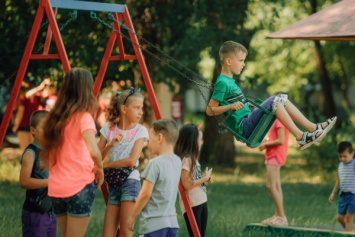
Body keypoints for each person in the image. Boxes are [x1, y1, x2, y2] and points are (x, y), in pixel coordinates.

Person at [206, 41, 337, 150]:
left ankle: (313, 127)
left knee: (281, 99)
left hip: (247, 119)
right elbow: (210, 110)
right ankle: (301, 136)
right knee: (276, 99)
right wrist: (231, 107)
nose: (243, 64)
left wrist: (246, 105)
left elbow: (234, 104)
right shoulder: (222, 82)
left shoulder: (229, 81)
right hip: (244, 126)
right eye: (241, 60)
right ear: (229, 61)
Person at [43, 67, 104, 237]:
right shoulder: (84, 117)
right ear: (86, 89)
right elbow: (94, 151)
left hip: (57, 186)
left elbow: (52, 157)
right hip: (80, 185)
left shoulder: (56, 118)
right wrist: (100, 169)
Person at [97, 87, 149, 237]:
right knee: (107, 234)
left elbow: (132, 161)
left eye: (142, 108)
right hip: (113, 184)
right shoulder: (108, 128)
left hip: (130, 182)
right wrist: (109, 146)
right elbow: (96, 157)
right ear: (124, 109)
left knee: (126, 233)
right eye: (137, 108)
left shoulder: (140, 131)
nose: (141, 112)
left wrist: (105, 165)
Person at [127, 118, 181, 236]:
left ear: (160, 138)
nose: (148, 143)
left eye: (150, 139)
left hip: (153, 225)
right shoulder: (178, 161)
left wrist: (132, 216)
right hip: (172, 224)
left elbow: (145, 194)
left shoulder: (155, 164)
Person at [19, 110, 57, 237]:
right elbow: (24, 182)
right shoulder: (31, 153)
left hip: (51, 210)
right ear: (33, 130)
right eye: (43, 127)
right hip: (35, 211)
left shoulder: (50, 151)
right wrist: (50, 182)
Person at [174, 124, 213, 237]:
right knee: (196, 234)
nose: (202, 142)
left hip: (201, 201)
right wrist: (204, 178)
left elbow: (194, 179)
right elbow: (187, 184)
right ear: (192, 141)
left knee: (201, 234)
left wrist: (205, 179)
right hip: (193, 204)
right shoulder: (186, 160)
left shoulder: (193, 159)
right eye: (199, 139)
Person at [258, 119, 289, 226]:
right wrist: (265, 141)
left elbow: (281, 140)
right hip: (272, 155)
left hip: (275, 156)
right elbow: (274, 137)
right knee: (276, 186)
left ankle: (281, 216)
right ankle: (278, 215)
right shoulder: (276, 119)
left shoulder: (280, 119)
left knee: (271, 186)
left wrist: (266, 144)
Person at [12, 77, 50, 150]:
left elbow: (20, 114)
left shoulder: (35, 97)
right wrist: (40, 87)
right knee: (33, 152)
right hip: (33, 127)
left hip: (25, 126)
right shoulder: (28, 97)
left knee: (26, 151)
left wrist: (15, 127)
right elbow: (28, 95)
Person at [329, 141, 355, 232]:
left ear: (352, 154)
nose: (342, 159)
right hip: (343, 195)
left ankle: (348, 233)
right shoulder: (340, 165)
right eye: (340, 156)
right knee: (339, 217)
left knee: (349, 217)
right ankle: (350, 232)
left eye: (345, 156)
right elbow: (338, 180)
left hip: (353, 195)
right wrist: (333, 193)